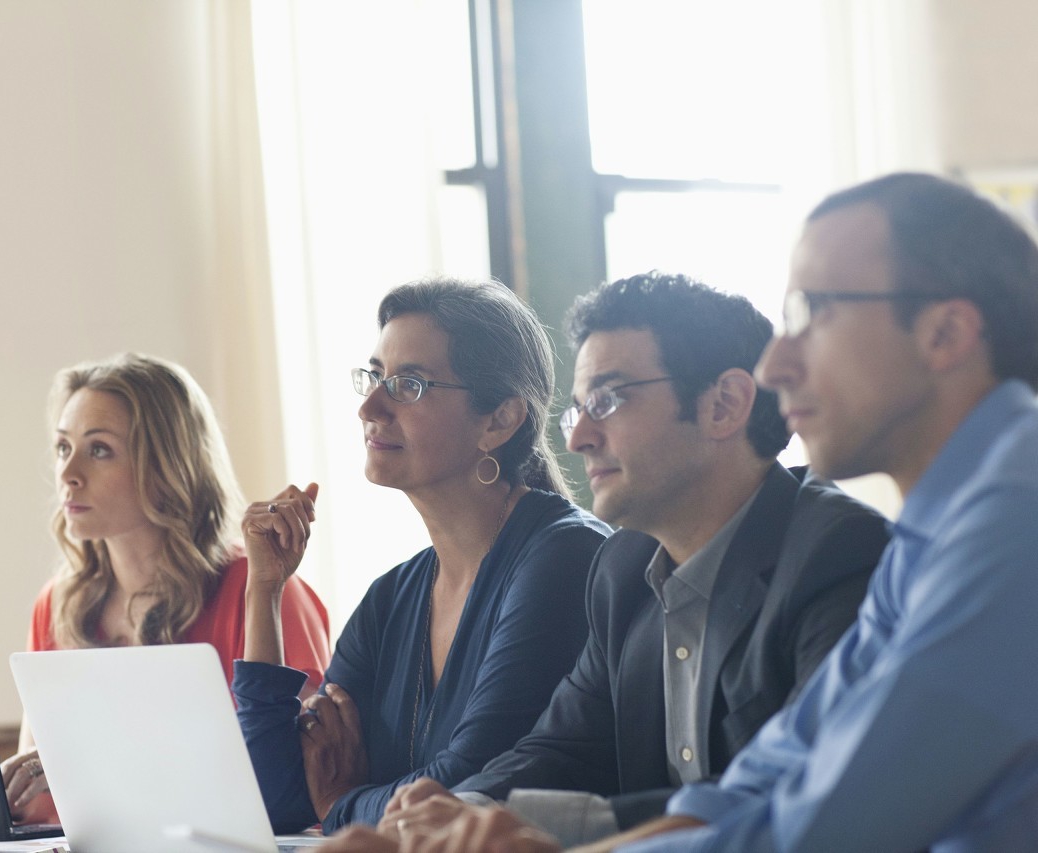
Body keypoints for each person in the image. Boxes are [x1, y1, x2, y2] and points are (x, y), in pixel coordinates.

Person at [370, 172, 1038, 851]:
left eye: (813, 313)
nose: (776, 365)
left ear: (946, 332)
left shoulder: (1013, 523)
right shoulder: (934, 535)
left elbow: (827, 828)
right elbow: (757, 788)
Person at [341, 272, 889, 850]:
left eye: (607, 400)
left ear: (723, 405)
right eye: (579, 409)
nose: (578, 438)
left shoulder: (836, 554)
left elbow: (796, 796)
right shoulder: (624, 568)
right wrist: (455, 813)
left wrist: (558, 829)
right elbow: (560, 751)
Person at [234, 277, 612, 834]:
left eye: (408, 385)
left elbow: (465, 787)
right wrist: (264, 589)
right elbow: (277, 801)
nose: (369, 406)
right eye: (374, 377)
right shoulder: (390, 598)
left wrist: (339, 804)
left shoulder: (564, 559)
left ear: (499, 420)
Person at [0, 353, 331, 825]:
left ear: (166, 466)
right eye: (62, 447)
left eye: (99, 450)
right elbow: (34, 805)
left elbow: (297, 784)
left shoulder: (260, 588)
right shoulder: (57, 605)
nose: (68, 473)